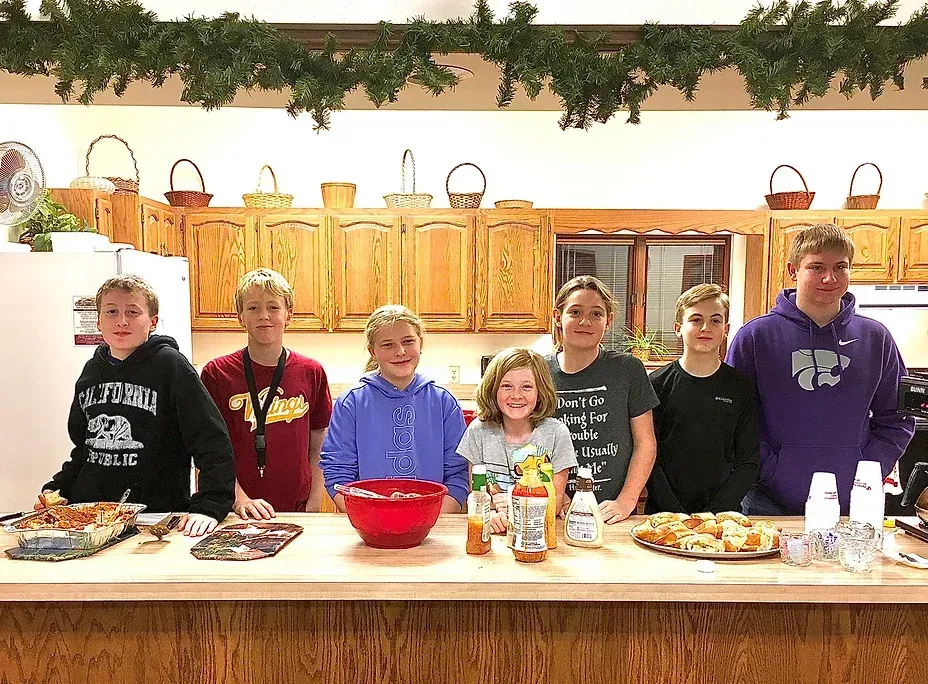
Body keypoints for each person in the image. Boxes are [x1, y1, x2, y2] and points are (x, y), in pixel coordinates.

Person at [726, 223, 915, 515]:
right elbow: (734, 420)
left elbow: (897, 419)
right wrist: (771, 471)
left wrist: (866, 470)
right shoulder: (755, 337)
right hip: (766, 501)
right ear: (793, 270)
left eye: (840, 267)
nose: (830, 277)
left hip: (852, 502)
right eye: (817, 267)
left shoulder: (876, 339)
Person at [36, 275, 234, 536]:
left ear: (152, 321)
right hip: (91, 519)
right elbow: (85, 448)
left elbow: (212, 443)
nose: (121, 321)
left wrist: (209, 506)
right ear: (98, 321)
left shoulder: (172, 367)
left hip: (154, 519)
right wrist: (58, 489)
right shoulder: (91, 372)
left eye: (132, 312)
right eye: (111, 312)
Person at [201, 268, 332, 519]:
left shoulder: (311, 372)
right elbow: (209, 451)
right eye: (253, 308)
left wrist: (315, 501)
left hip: (299, 509)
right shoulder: (216, 374)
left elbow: (318, 443)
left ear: (288, 315)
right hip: (237, 510)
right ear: (240, 316)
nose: (264, 316)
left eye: (273, 307)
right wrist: (239, 499)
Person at [320, 305, 468, 513]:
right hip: (368, 523)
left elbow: (458, 474)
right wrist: (370, 518)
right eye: (388, 345)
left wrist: (432, 517)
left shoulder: (444, 402)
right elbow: (338, 475)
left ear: (420, 343)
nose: (400, 352)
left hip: (432, 524)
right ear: (373, 352)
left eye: (408, 341)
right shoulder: (351, 403)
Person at [545, 275, 659, 524]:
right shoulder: (539, 372)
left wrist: (627, 501)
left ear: (608, 322)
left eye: (596, 314)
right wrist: (557, 494)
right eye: (575, 312)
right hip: (552, 510)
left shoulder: (628, 370)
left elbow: (645, 443)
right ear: (557, 317)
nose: (585, 321)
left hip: (611, 513)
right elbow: (527, 442)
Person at [646, 284, 759, 514]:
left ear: (726, 328)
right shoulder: (656, 385)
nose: (705, 327)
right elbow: (648, 457)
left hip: (723, 518)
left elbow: (748, 461)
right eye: (696, 320)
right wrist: (675, 513)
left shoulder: (741, 387)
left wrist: (714, 514)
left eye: (715, 321)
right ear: (678, 328)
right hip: (663, 515)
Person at [457, 347, 577, 532]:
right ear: (493, 389)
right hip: (493, 537)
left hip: (538, 534)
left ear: (540, 391)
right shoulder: (478, 431)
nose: (516, 395)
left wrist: (514, 503)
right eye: (506, 386)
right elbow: (477, 496)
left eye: (527, 387)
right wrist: (489, 515)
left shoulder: (557, 434)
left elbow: (554, 505)